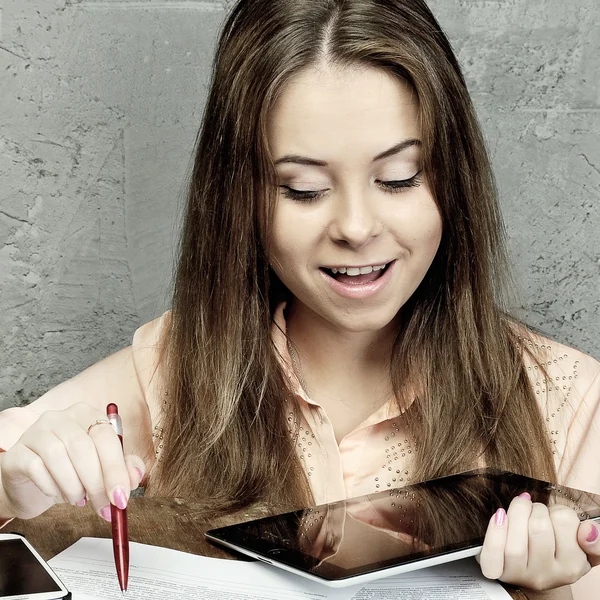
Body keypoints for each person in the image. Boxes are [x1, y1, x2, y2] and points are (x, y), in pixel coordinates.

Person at [0, 0, 598, 595]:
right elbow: (17, 454)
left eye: (398, 178)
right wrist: (17, 484)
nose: (357, 227)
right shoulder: (172, 367)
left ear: (451, 179)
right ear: (242, 199)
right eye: (304, 189)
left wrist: (550, 592)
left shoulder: (570, 404)